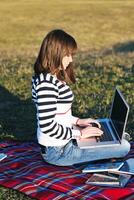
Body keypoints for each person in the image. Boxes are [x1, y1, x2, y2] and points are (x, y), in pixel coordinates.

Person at [32, 29, 130, 166]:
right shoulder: (46, 85)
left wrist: (78, 121)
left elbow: (59, 115)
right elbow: (47, 126)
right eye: (68, 55)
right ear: (56, 53)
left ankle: (109, 139)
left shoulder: (52, 76)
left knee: (116, 139)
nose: (71, 59)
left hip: (64, 142)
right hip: (58, 151)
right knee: (124, 147)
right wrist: (80, 134)